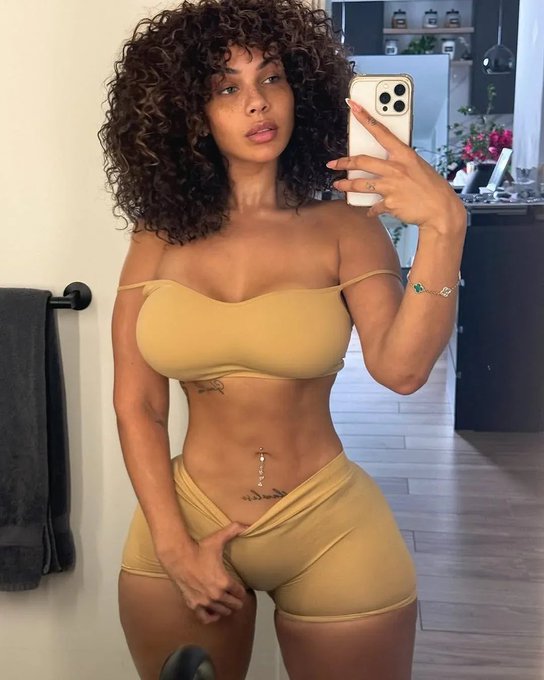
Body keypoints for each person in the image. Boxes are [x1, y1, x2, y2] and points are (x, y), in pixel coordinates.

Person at [101, 1, 467, 678]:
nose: (258, 102)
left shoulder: (346, 229)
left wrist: (444, 229)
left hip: (327, 524)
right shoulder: (155, 239)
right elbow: (139, 405)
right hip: (183, 515)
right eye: (227, 87)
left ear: (301, 88)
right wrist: (174, 547)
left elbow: (403, 370)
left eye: (272, 77)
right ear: (188, 113)